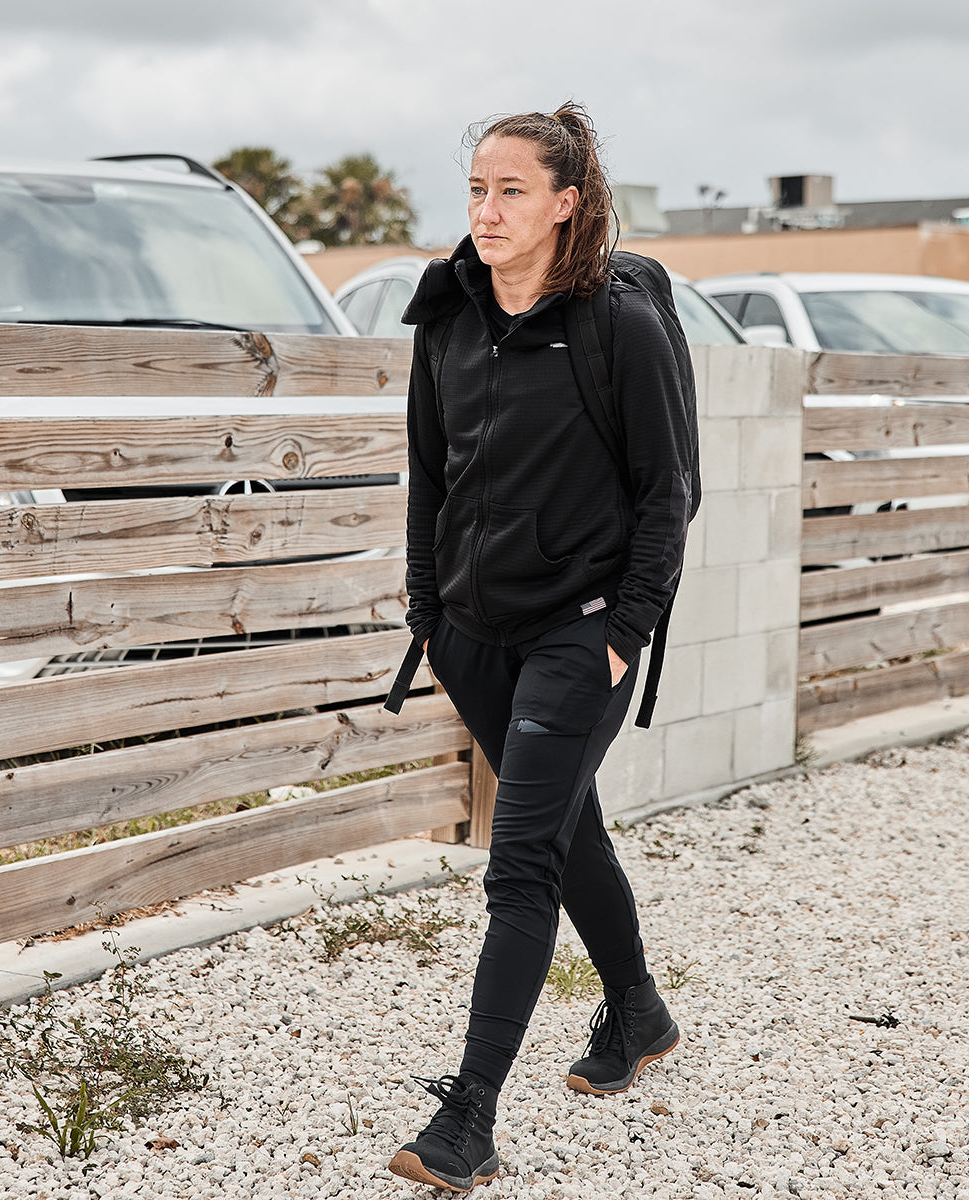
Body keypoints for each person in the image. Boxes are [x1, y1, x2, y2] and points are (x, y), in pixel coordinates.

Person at [385, 103, 697, 1192]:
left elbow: (667, 494)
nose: (488, 209)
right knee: (566, 827)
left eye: (512, 190)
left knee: (519, 862)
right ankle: (639, 1012)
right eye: (478, 188)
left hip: (580, 630)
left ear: (567, 204)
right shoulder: (447, 316)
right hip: (472, 631)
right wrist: (427, 614)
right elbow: (431, 473)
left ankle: (467, 1118)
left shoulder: (619, 326)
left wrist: (623, 633)